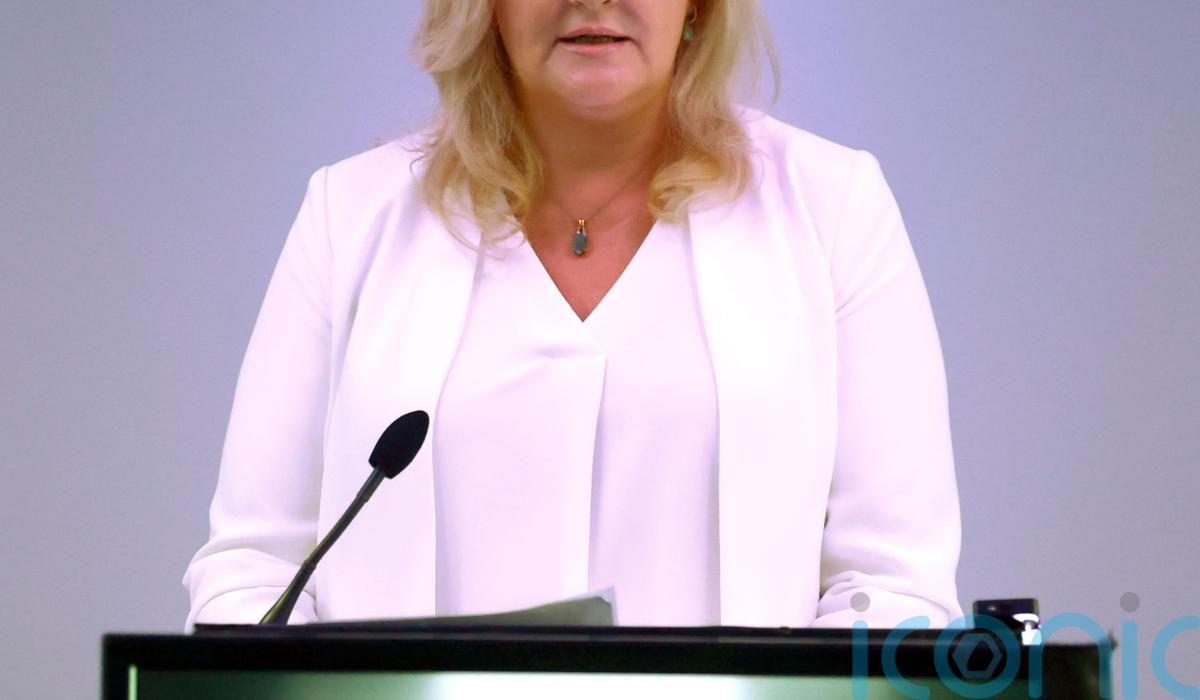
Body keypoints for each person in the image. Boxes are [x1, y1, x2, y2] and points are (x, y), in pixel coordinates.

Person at [184, 0, 964, 630]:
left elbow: (893, 589)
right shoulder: (350, 214)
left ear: (698, 7)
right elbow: (253, 571)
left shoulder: (832, 209)